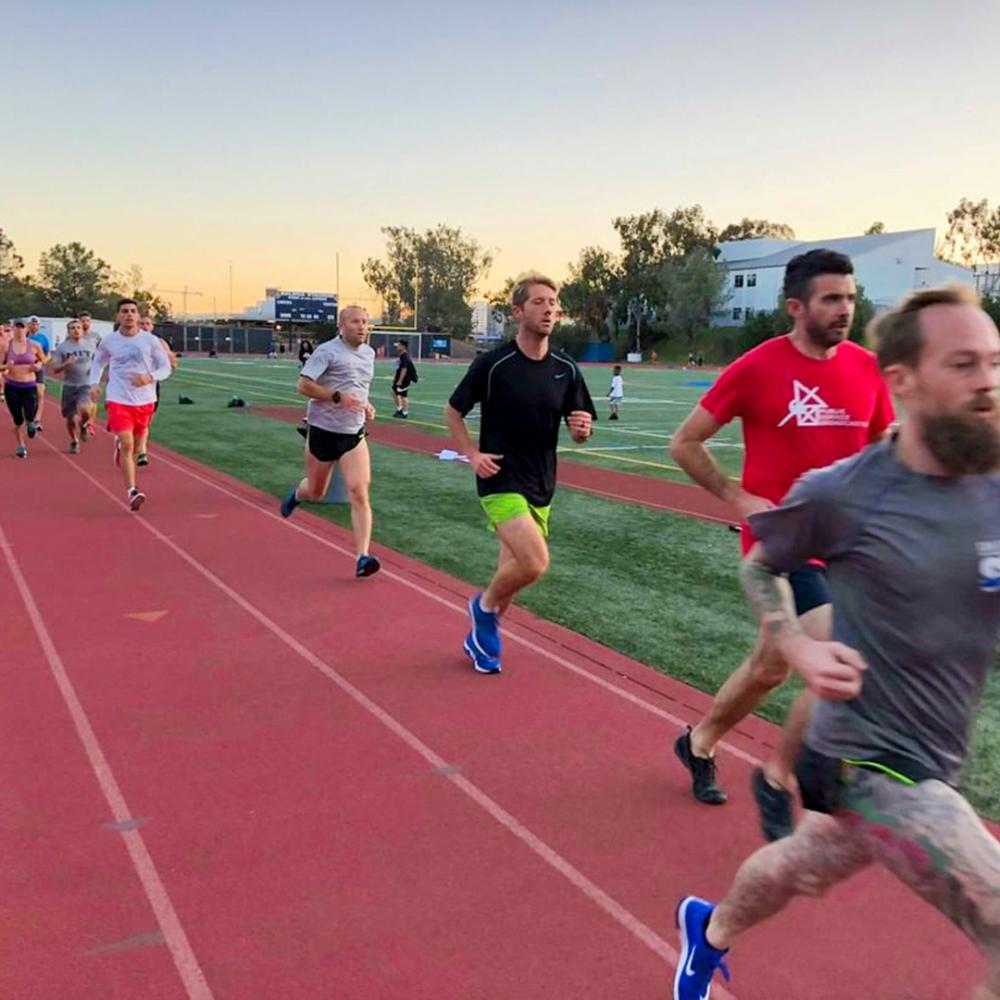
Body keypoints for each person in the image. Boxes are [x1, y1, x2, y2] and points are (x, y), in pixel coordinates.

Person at [673, 285, 1000, 1000]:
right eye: (965, 364)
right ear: (903, 382)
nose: (988, 384)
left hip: (938, 754)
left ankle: (709, 929)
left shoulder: (993, 478)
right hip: (867, 757)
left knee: (801, 866)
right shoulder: (844, 492)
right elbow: (763, 563)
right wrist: (795, 647)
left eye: (996, 364)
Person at [669, 249, 894, 841]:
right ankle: (781, 775)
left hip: (851, 548)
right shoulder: (758, 367)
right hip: (784, 547)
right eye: (831, 299)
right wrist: (736, 497)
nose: (845, 309)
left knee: (770, 669)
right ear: (796, 306)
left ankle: (698, 742)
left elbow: (881, 454)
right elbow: (685, 443)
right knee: (842, 656)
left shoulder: (869, 369)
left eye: (850, 296)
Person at [444, 272, 597, 674]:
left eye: (553, 303)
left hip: (542, 482)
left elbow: (580, 427)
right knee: (534, 563)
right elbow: (453, 411)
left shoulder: (566, 368)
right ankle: (482, 609)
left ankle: (480, 642)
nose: (549, 309)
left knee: (508, 572)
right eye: (539, 302)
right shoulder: (493, 364)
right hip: (499, 478)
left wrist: (582, 430)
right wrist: (471, 454)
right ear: (518, 311)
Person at [279, 306, 380, 578]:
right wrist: (336, 397)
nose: (362, 327)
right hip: (324, 431)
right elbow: (303, 385)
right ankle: (297, 495)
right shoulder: (327, 351)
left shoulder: (369, 354)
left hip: (353, 433)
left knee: (359, 492)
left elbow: (358, 387)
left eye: (365, 322)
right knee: (316, 491)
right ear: (341, 326)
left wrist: (366, 405)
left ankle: (362, 556)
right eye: (355, 322)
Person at [88, 299, 173, 511]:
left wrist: (149, 377)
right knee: (127, 443)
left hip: (145, 400)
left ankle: (123, 455)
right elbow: (98, 362)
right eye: (125, 311)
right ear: (118, 316)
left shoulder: (150, 341)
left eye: (133, 311)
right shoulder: (109, 341)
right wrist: (93, 384)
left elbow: (165, 367)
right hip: (118, 398)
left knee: (135, 446)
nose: (129, 315)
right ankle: (132, 491)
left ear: (138, 316)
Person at [135, 314, 178, 465]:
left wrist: (167, 356)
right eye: (141, 323)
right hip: (129, 386)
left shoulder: (159, 342)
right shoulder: (128, 341)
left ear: (152, 326)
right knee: (131, 422)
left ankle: (141, 451)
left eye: (147, 323)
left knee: (145, 422)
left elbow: (173, 364)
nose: (144, 326)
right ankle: (137, 448)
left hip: (150, 387)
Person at [50, 318, 98, 453]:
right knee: (70, 418)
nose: (76, 330)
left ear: (82, 330)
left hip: (85, 384)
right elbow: (55, 368)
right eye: (73, 328)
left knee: (85, 410)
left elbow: (98, 363)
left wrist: (96, 376)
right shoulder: (62, 348)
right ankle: (74, 440)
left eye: (78, 327)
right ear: (68, 331)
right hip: (69, 385)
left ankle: (83, 425)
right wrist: (67, 363)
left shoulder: (90, 345)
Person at [1, 319, 45, 457]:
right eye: (17, 327)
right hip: (12, 385)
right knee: (18, 419)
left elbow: (43, 360)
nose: (19, 330)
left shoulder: (35, 345)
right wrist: (7, 366)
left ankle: (31, 424)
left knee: (30, 414)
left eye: (22, 327)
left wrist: (38, 365)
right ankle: (21, 446)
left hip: (29, 385)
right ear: (13, 329)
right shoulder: (6, 346)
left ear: (27, 329)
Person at [26, 316, 50, 430]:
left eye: (36, 324)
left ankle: (37, 420)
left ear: (39, 326)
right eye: (32, 324)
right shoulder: (23, 337)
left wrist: (42, 362)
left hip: (38, 368)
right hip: (24, 370)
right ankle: (28, 417)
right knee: (27, 395)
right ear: (28, 325)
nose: (34, 326)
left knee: (40, 393)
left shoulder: (43, 338)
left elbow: (48, 354)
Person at [391, 338, 418, 418]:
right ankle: (400, 408)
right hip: (400, 378)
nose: (397, 347)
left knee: (403, 395)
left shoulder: (405, 357)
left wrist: (400, 381)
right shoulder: (401, 356)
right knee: (394, 393)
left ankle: (405, 412)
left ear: (403, 346)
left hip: (405, 379)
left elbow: (404, 369)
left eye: (398, 345)